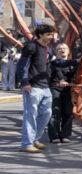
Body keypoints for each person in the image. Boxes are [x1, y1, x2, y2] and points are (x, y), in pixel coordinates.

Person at [17, 24, 56, 153]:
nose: (51, 36)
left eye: (52, 34)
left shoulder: (49, 49)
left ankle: (35, 139)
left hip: (45, 87)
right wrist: (24, 82)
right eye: (48, 34)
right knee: (30, 115)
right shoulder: (31, 47)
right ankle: (26, 144)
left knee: (46, 113)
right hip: (32, 87)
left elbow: (51, 66)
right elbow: (22, 65)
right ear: (40, 35)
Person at [47, 42, 78, 144]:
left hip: (68, 89)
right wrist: (61, 80)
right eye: (59, 48)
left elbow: (76, 76)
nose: (62, 50)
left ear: (68, 51)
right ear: (56, 52)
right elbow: (58, 70)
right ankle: (54, 136)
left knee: (68, 113)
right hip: (55, 88)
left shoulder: (72, 63)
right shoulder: (54, 62)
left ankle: (65, 135)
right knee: (55, 112)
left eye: (64, 48)